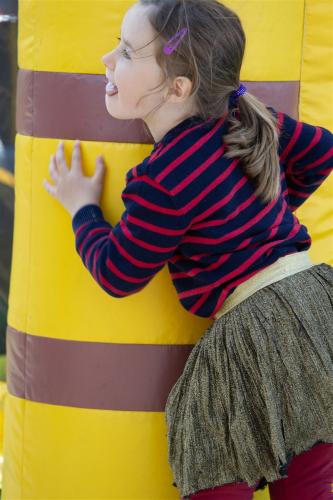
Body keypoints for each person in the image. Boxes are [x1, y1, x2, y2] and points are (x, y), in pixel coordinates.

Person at [43, 0, 333, 498]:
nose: (106, 59)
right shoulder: (244, 116)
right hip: (315, 305)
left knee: (213, 456)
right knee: (311, 481)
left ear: (179, 87)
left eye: (127, 52)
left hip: (254, 323)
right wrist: (263, 205)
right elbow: (323, 149)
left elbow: (119, 272)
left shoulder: (165, 178)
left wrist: (82, 209)